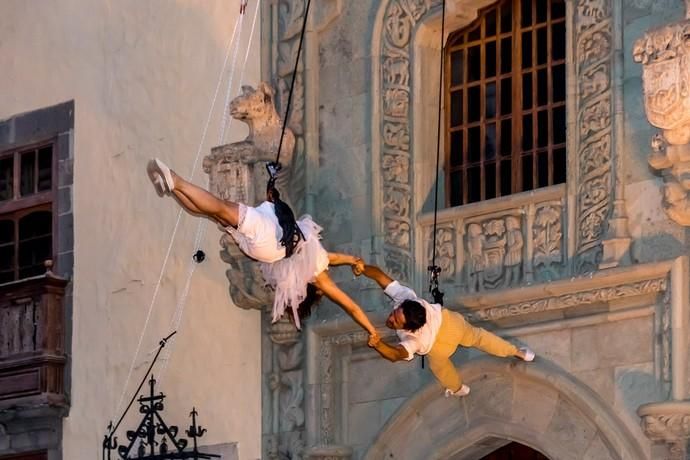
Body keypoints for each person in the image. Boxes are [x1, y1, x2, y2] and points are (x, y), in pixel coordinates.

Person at [146, 158, 378, 339]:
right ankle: (171, 189)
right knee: (211, 212)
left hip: (273, 237)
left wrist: (372, 330)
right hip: (263, 249)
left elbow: (351, 306)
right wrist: (355, 261)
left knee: (220, 207)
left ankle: (175, 181)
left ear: (313, 291)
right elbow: (337, 259)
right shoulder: (318, 264)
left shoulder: (320, 276)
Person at [354, 261, 534, 397]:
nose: (391, 318)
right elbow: (380, 276)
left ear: (410, 328)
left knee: (441, 367)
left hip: (440, 346)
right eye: (395, 314)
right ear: (403, 305)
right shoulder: (406, 298)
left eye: (396, 321)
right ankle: (518, 352)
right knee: (480, 338)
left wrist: (378, 344)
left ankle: (459, 389)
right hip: (452, 323)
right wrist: (363, 268)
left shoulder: (415, 340)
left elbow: (394, 355)